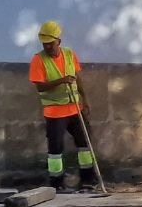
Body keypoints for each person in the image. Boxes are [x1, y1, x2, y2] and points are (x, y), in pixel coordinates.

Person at [29, 20, 97, 192]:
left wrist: (84, 99)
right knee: (55, 149)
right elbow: (40, 86)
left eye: (50, 44)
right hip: (54, 112)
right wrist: (61, 80)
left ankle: (88, 179)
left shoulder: (69, 54)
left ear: (58, 41)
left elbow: (77, 77)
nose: (47, 47)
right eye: (44, 44)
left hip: (75, 109)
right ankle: (57, 183)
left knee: (84, 144)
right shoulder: (38, 60)